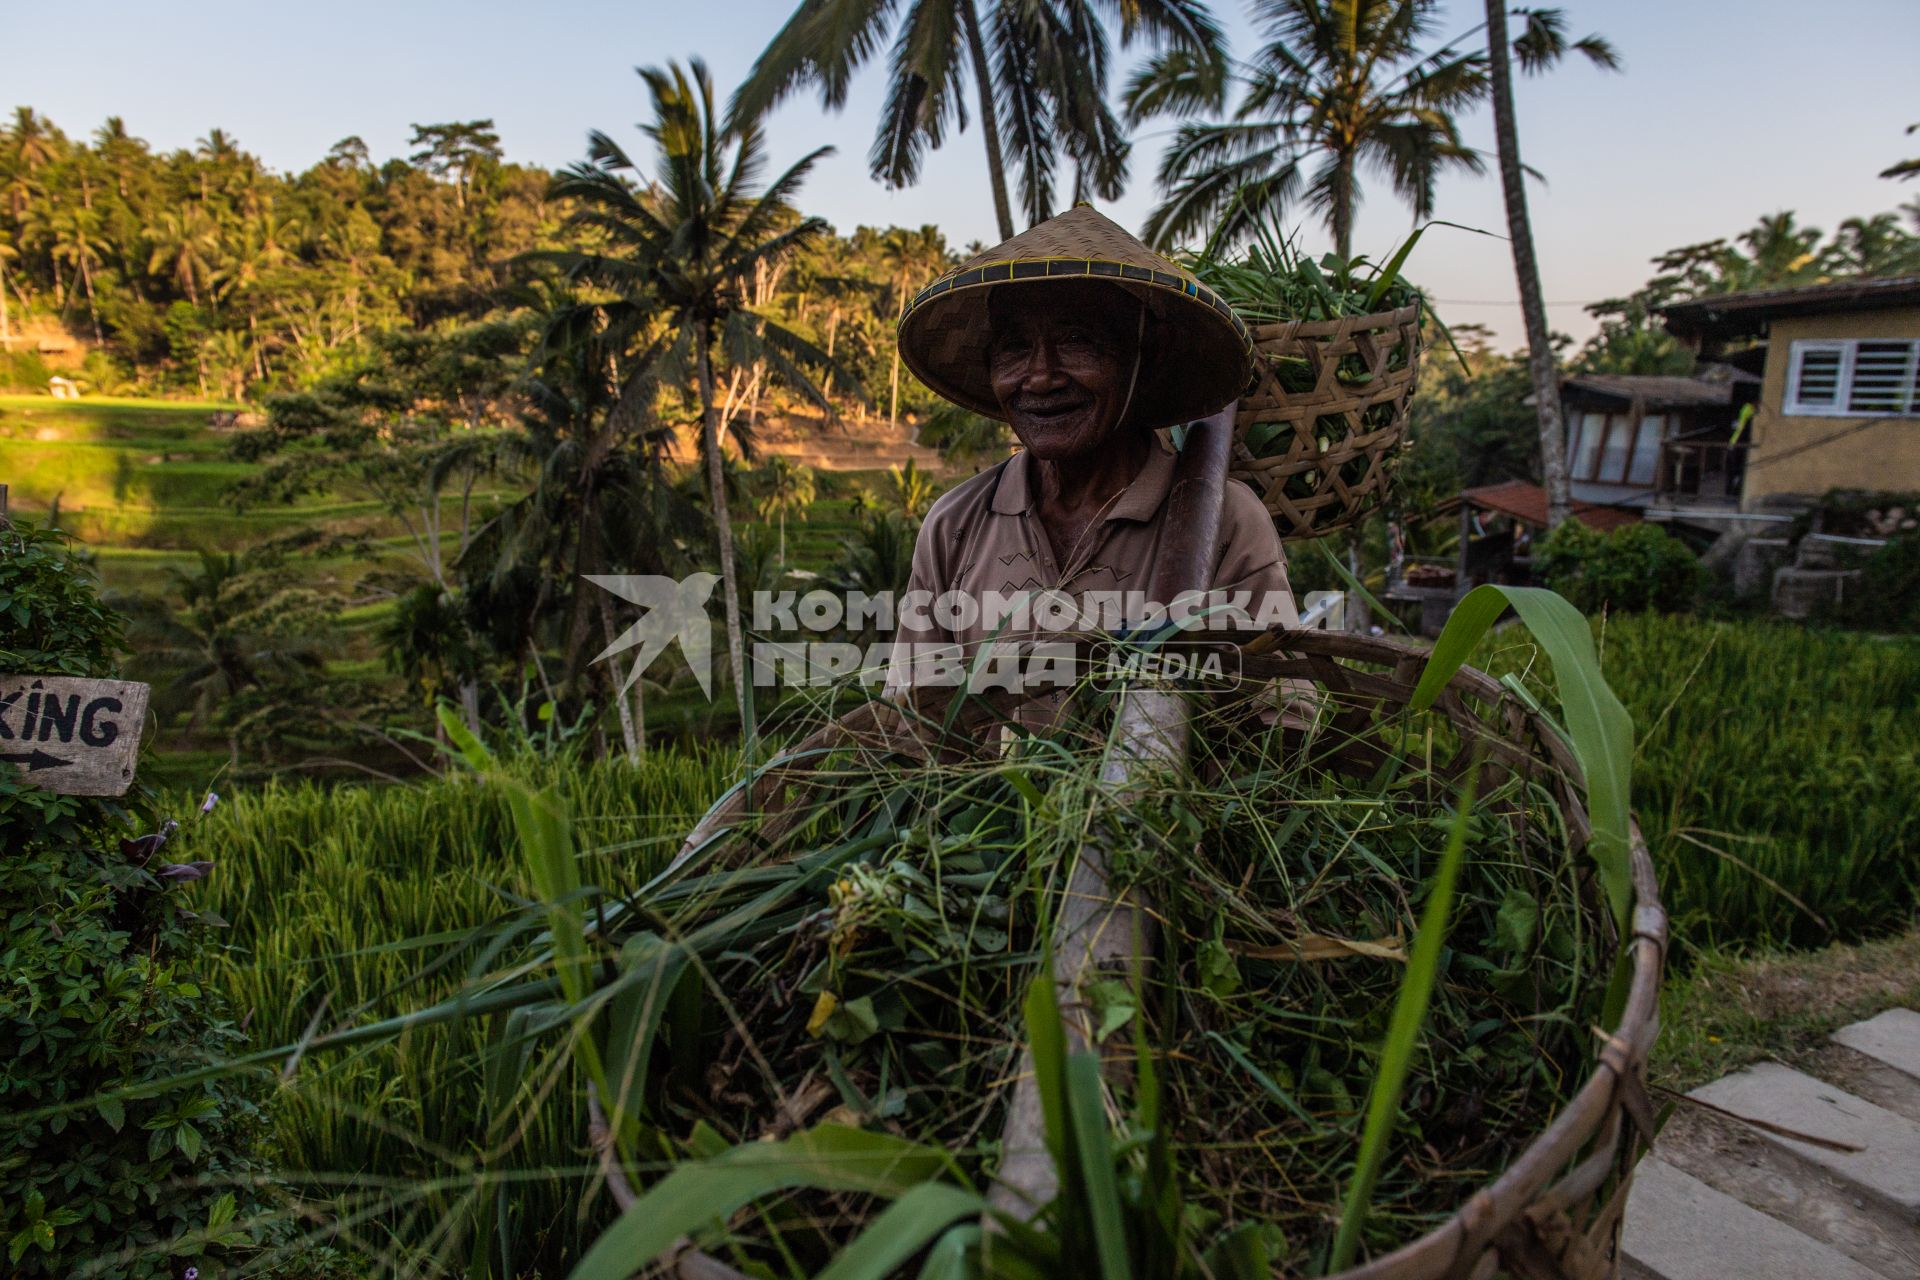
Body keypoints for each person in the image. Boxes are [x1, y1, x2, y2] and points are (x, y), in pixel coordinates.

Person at [885, 204, 1300, 713]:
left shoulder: (1227, 521)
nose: (1040, 377)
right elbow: (910, 726)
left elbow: (1281, 729)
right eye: (1015, 347)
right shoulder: (957, 524)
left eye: (1076, 341)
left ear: (1143, 356)